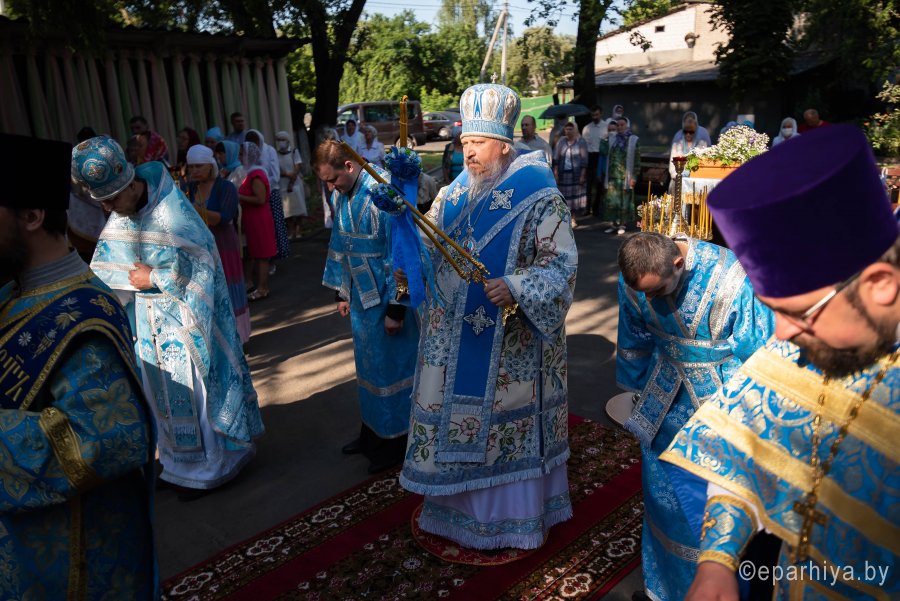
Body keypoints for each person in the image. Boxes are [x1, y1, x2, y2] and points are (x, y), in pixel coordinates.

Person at [662, 124, 900, 600]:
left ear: (881, 286)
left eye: (798, 313)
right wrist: (718, 561)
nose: (781, 335)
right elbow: (743, 456)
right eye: (773, 310)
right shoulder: (809, 341)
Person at [398, 83, 578, 550]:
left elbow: (561, 265)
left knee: (499, 428)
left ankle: (511, 520)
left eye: (478, 143)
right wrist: (401, 223)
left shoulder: (540, 195)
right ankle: (454, 511)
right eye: (464, 143)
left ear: (504, 144)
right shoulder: (457, 190)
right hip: (452, 336)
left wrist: (517, 286)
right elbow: (430, 243)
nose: (469, 153)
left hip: (509, 343)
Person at [0, 133, 156, 599]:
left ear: (32, 216)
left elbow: (110, 440)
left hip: (75, 559)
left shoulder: (84, 315)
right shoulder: (13, 291)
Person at [71, 135, 264, 501]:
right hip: (148, 323)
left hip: (184, 321)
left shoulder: (172, 212)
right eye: (102, 201)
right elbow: (108, 268)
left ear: (130, 184)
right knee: (159, 395)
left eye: (112, 198)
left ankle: (210, 468)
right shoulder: (122, 216)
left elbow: (204, 265)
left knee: (194, 394)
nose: (109, 207)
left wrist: (155, 278)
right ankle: (177, 465)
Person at [615, 231, 775, 601]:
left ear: (678, 263)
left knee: (715, 506)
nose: (650, 299)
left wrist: (760, 421)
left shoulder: (734, 277)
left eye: (657, 290)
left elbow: (759, 352)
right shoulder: (635, 276)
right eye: (644, 292)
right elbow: (634, 336)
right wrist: (632, 390)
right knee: (663, 502)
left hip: (723, 408)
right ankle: (665, 589)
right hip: (662, 405)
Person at [315, 140, 420, 474]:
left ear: (349, 166)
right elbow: (339, 243)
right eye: (326, 181)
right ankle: (372, 434)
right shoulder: (341, 194)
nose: (330, 187)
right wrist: (341, 291)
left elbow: (401, 253)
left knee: (394, 371)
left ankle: (397, 441)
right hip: (360, 299)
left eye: (333, 179)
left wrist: (397, 309)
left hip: (386, 298)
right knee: (369, 370)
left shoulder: (384, 193)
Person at [183, 144, 252, 344]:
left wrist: (196, 210)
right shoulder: (189, 189)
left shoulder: (226, 187)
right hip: (200, 247)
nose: (194, 170)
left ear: (210, 166)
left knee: (229, 286)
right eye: (191, 167)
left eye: (199, 166)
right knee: (207, 289)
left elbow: (225, 217)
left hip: (223, 244)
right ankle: (217, 340)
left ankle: (239, 337)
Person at [239, 141, 277, 300]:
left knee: (262, 254)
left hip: (258, 219)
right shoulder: (251, 173)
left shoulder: (256, 175)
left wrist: (238, 196)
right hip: (253, 218)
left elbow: (260, 199)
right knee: (257, 253)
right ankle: (260, 286)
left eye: (242, 154)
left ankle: (263, 288)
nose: (239, 157)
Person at [246, 129, 291, 265]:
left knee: (275, 224)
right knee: (262, 229)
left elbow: (275, 175)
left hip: (271, 192)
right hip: (254, 194)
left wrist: (261, 183)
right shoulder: (248, 153)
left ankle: (275, 257)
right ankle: (265, 258)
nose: (253, 145)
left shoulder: (269, 151)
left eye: (255, 142)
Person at [604, 117, 640, 235]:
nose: (619, 127)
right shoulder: (612, 139)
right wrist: (604, 139)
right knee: (613, 201)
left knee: (624, 202)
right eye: (618, 125)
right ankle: (614, 224)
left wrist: (634, 177)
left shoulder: (633, 140)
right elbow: (603, 152)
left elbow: (637, 160)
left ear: (627, 125)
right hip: (613, 176)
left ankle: (622, 224)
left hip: (625, 177)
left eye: (622, 125)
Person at [554, 121, 589, 226]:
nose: (568, 131)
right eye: (567, 129)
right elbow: (556, 159)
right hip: (563, 174)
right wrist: (556, 173)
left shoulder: (581, 142)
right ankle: (565, 218)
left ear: (575, 129)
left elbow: (584, 161)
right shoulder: (561, 141)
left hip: (576, 174)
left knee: (574, 198)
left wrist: (582, 176)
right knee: (564, 198)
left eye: (571, 129)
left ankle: (573, 218)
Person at [276, 130, 308, 241]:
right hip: (283, 183)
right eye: (279, 140)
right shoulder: (276, 154)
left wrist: (291, 181)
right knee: (287, 210)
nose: (281, 142)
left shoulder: (294, 152)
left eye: (283, 139)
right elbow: (277, 169)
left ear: (288, 141)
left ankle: (299, 230)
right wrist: (286, 174)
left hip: (295, 183)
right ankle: (291, 230)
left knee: (299, 208)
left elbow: (297, 166)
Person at [669, 115, 709, 192]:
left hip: (696, 179)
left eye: (691, 132)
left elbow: (703, 162)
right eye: (685, 132)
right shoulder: (677, 139)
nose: (688, 134)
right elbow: (672, 162)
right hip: (677, 178)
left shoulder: (702, 141)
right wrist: (675, 176)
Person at [582, 106, 606, 216]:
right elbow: (584, 145)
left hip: (600, 157)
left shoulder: (606, 127)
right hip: (589, 156)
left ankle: (596, 209)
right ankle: (587, 208)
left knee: (599, 184)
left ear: (601, 114)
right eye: (593, 115)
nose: (595, 117)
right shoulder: (587, 128)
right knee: (588, 184)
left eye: (597, 114)